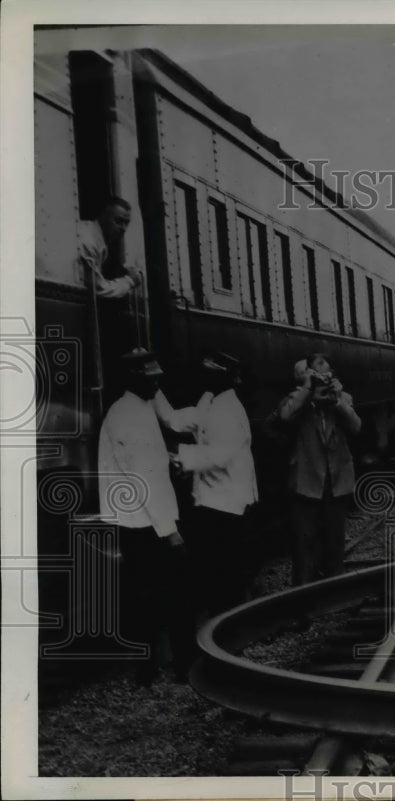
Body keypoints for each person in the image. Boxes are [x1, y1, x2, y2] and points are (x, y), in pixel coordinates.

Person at [97, 348, 194, 684]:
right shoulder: (127, 414)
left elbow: (144, 458)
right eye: (152, 378)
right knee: (169, 596)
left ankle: (149, 670)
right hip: (145, 522)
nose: (158, 382)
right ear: (134, 380)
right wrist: (169, 531)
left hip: (142, 519)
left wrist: (169, 457)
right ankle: (181, 667)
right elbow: (141, 476)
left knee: (146, 597)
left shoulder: (135, 407)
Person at [167, 352, 259, 616]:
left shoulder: (227, 411)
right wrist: (154, 395)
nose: (202, 379)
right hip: (216, 502)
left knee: (225, 572)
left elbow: (217, 455)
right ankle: (227, 620)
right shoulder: (211, 402)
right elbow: (177, 419)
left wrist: (177, 456)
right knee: (221, 569)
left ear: (222, 379)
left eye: (208, 374)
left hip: (228, 504)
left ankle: (230, 624)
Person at [278, 353, 362, 585]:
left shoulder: (343, 398)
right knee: (304, 542)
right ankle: (304, 593)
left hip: (336, 482)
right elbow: (284, 418)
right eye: (317, 375)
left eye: (327, 374)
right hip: (306, 482)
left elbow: (356, 427)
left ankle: (332, 590)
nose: (323, 380)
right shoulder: (296, 400)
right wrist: (306, 390)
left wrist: (337, 401)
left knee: (334, 540)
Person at [79, 197, 145, 399]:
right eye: (118, 221)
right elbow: (97, 289)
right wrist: (130, 281)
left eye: (126, 223)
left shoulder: (99, 242)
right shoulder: (89, 241)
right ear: (103, 218)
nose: (123, 228)